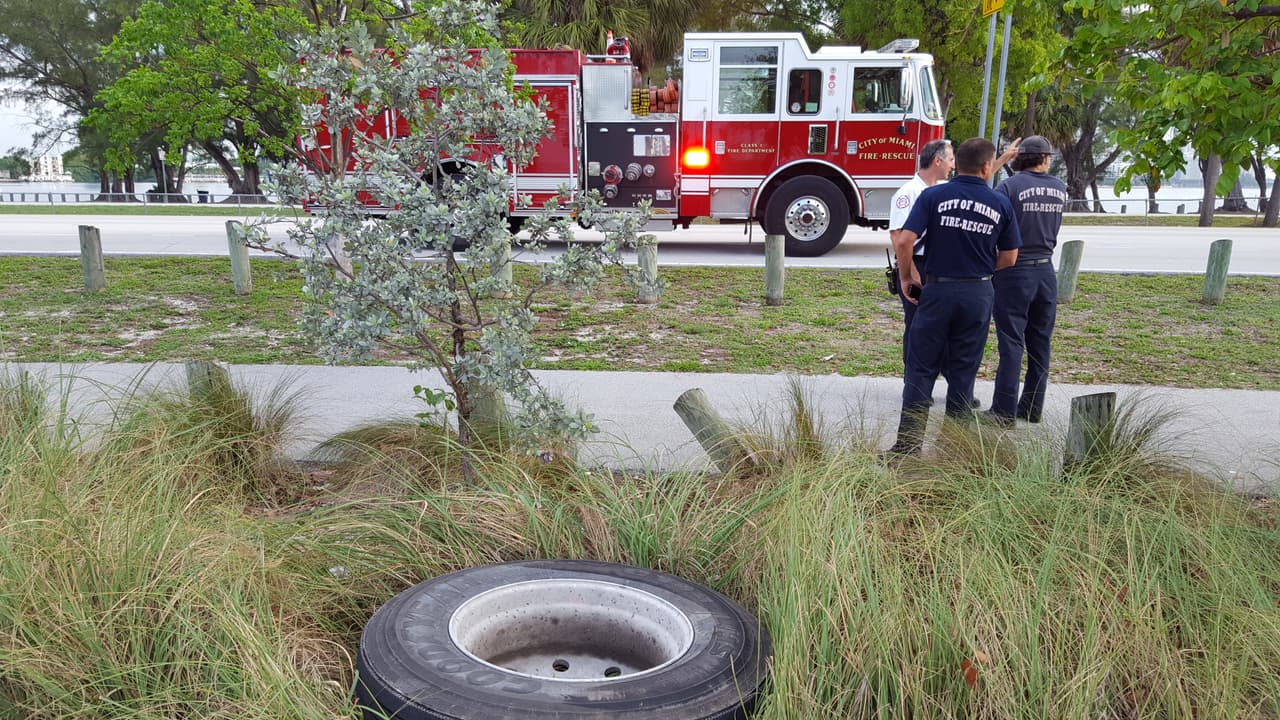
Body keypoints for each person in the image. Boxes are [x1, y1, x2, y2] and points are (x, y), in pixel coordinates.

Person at [885, 138, 1021, 456]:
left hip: (937, 289)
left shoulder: (934, 195)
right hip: (978, 293)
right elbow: (1011, 257)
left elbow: (905, 240)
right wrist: (982, 269)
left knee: (921, 368)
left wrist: (907, 276)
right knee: (963, 372)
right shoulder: (1001, 204)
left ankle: (907, 449)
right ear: (987, 166)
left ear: (956, 163)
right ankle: (954, 451)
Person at [981, 135, 1069, 426]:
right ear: (1045, 158)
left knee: (1011, 342)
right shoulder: (1060, 188)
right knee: (1040, 343)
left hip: (1014, 270)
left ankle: (1003, 410)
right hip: (1046, 270)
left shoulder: (1010, 187)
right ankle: (1032, 407)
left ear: (1021, 157)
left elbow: (995, 223)